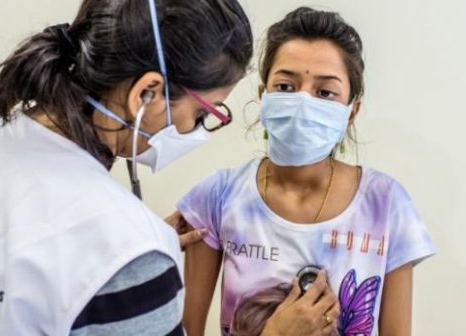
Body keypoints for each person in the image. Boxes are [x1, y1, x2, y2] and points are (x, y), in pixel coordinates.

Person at [0, 0, 253, 334]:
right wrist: (137, 266)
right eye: (202, 114)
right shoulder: (122, 249)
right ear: (147, 93)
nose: (195, 130)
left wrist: (135, 273)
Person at [175, 7, 437, 336]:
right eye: (285, 86)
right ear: (263, 97)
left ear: (350, 112)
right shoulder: (217, 197)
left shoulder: (386, 205)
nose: (302, 102)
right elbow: (186, 330)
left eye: (325, 92)